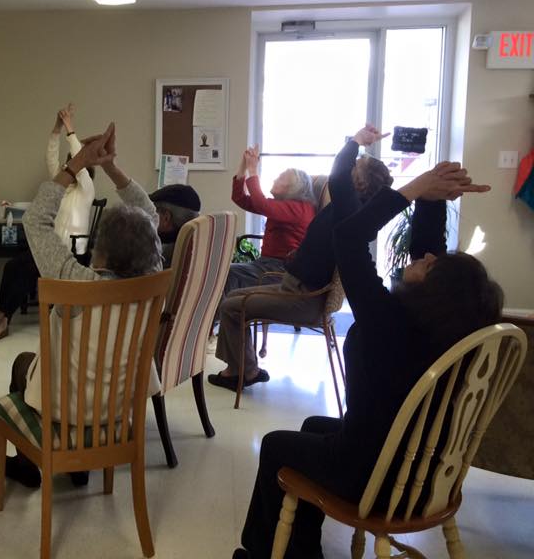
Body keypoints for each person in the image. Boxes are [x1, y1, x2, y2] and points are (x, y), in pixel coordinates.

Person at [232, 160, 501, 559]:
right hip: (422, 468)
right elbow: (428, 249)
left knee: (274, 445)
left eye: (431, 267)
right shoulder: (452, 329)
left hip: (374, 474)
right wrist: (431, 200)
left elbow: (350, 237)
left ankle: (257, 554)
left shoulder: (385, 321)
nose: (425, 259)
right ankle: (302, 550)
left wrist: (410, 190)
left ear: (435, 292)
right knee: (311, 425)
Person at [3, 122, 164, 488]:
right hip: (119, 409)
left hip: (67, 408)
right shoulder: (151, 285)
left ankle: (34, 463)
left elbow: (35, 222)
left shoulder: (74, 282)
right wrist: (110, 166)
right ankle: (79, 466)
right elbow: (149, 215)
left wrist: (75, 165)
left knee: (22, 365)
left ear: (100, 249)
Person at [209, 125, 394, 391]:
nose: (351, 165)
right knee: (232, 301)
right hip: (295, 286)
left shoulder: (348, 211)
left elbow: (338, 172)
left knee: (231, 306)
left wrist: (357, 140)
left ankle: (242, 371)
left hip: (303, 297)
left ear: (359, 182)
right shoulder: (350, 212)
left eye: (357, 164)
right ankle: (245, 369)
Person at [0, 104, 95, 343]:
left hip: (72, 255)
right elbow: (50, 156)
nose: (66, 169)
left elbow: (81, 160)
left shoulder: (86, 190)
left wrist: (71, 130)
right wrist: (56, 128)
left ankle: (0, 321)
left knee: (24, 269)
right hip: (50, 250)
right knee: (13, 267)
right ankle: (1, 319)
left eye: (72, 166)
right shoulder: (60, 190)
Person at [225, 145, 317, 295]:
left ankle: (218, 315)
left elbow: (262, 204)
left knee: (226, 273)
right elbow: (239, 198)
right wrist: (244, 165)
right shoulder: (285, 206)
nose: (275, 179)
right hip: (267, 266)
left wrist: (253, 170)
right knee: (225, 273)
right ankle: (224, 314)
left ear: (293, 188)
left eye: (280, 178)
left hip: (280, 271)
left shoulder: (300, 209)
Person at [148, 183, 201, 267]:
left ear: (166, 218)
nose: (148, 217)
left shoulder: (156, 258)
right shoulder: (197, 250)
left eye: (151, 212)